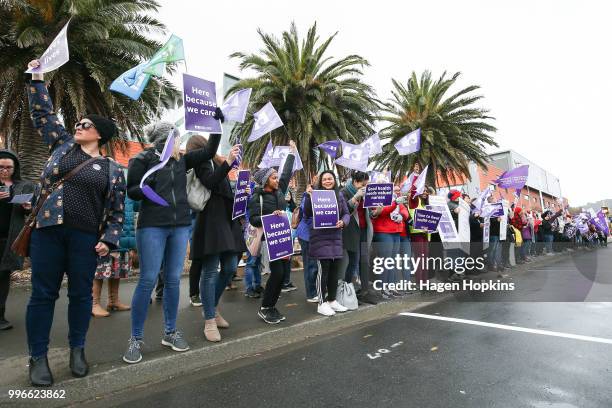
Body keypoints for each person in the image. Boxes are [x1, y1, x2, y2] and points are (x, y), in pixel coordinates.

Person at [25, 59, 126, 386]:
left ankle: (77, 350)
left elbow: (117, 212)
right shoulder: (62, 144)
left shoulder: (112, 170)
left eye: (85, 124)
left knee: (82, 296)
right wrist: (37, 78)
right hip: (48, 232)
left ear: (99, 134)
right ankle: (37, 357)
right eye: (78, 123)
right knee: (43, 295)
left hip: (84, 240)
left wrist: (108, 240)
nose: (78, 126)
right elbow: (43, 114)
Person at [123, 117, 221, 364]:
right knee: (147, 280)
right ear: (167, 138)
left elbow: (209, 150)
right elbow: (132, 189)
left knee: (174, 280)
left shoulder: (183, 160)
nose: (180, 142)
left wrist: (216, 125)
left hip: (179, 227)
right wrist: (149, 184)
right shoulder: (142, 159)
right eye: (176, 138)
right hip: (152, 227)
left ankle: (170, 332)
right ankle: (135, 338)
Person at [189, 135, 244, 342]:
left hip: (227, 217)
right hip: (211, 218)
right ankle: (210, 319)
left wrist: (242, 192)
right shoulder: (201, 161)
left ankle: (210, 307)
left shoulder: (218, 161)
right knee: (210, 270)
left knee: (230, 266)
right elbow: (211, 182)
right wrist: (228, 162)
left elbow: (224, 188)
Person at [248, 141, 296, 324]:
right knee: (276, 274)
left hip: (283, 239)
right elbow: (253, 220)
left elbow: (286, 173)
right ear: (265, 180)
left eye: (277, 177)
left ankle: (272, 306)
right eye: (274, 177)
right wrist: (271, 217)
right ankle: (265, 307)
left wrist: (292, 152)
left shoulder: (279, 192)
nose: (278, 180)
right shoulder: (256, 198)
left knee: (283, 274)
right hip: (270, 240)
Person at [303, 170, 351, 316]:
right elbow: (307, 212)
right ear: (320, 182)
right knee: (323, 272)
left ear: (334, 180)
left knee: (334, 271)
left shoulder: (340, 195)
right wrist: (308, 196)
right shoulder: (315, 194)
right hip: (320, 238)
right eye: (324, 179)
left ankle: (332, 300)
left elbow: (346, 213)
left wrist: (343, 222)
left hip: (336, 237)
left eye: (330, 178)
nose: (328, 181)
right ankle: (321, 303)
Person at [0, 150, 35, 330]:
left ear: (15, 168)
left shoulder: (24, 186)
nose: (5, 171)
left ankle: (0, 316)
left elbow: (31, 210)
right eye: (1, 167)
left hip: (10, 238)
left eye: (9, 167)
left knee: (3, 275)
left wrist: (28, 207)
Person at [92, 196, 138, 317]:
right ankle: (94, 303)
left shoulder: (128, 193)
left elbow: (136, 208)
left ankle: (113, 301)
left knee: (117, 268)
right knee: (100, 270)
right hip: (107, 236)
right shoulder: (107, 184)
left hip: (124, 237)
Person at [340, 171, 376, 304]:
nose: (365, 187)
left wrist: (376, 211)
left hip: (364, 231)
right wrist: (356, 197)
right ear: (355, 182)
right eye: (362, 184)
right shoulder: (344, 192)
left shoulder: (366, 193)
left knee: (364, 261)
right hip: (351, 232)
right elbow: (344, 211)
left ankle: (364, 291)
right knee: (353, 262)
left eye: (367, 185)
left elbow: (370, 213)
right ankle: (350, 292)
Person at [372, 184, 409, 298]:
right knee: (386, 261)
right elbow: (381, 211)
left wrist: (402, 215)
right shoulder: (378, 197)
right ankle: (383, 288)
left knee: (392, 261)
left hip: (396, 232)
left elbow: (404, 211)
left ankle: (390, 287)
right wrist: (395, 204)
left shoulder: (395, 199)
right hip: (384, 232)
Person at [296, 181, 319, 303]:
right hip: (307, 235)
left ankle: (316, 290)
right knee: (311, 265)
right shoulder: (307, 196)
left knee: (315, 265)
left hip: (315, 235)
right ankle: (311, 293)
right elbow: (307, 215)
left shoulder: (323, 195)